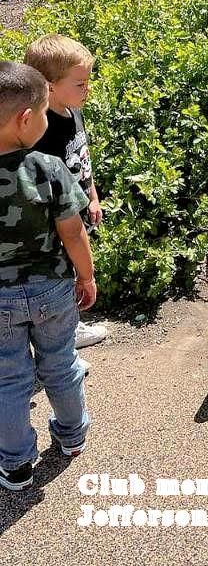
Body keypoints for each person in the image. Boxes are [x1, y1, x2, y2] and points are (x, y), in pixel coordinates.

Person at [0, 62, 96, 491]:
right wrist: (86, 277)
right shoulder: (48, 167)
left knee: (8, 380)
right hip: (52, 289)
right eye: (43, 113)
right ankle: (72, 436)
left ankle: (16, 464)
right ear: (26, 119)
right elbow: (73, 233)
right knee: (60, 364)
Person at [25, 35, 106, 353]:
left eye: (88, 82)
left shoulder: (74, 112)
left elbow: (83, 160)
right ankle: (63, 336)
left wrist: (93, 197)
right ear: (49, 86)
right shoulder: (41, 130)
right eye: (80, 84)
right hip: (57, 223)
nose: (87, 90)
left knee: (74, 270)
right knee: (64, 275)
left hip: (78, 210)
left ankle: (69, 326)